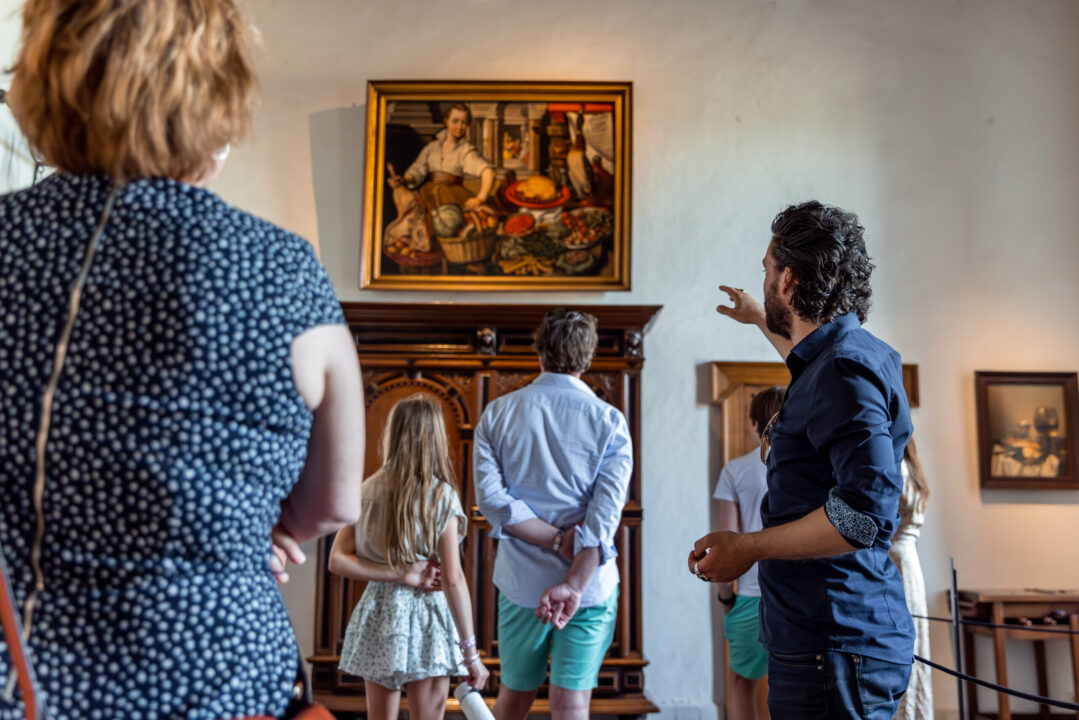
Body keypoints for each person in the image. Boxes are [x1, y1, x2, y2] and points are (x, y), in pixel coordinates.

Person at [0, 1, 365, 718]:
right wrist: (255, 529)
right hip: (217, 681)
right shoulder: (283, 273)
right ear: (217, 111)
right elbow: (336, 502)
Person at [692, 201, 914, 719]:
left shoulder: (844, 369)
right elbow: (813, 369)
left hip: (833, 641)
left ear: (787, 280)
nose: (764, 279)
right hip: (830, 637)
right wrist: (757, 320)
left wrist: (748, 546)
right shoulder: (852, 355)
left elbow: (863, 515)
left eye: (766, 270)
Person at [473, 309, 632, 720]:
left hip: (520, 583)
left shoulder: (498, 413)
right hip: (589, 586)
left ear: (540, 351)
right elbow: (604, 519)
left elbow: (492, 500)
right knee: (571, 704)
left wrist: (552, 538)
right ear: (588, 356)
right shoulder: (609, 421)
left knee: (513, 699)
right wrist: (573, 578)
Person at [329, 394, 488, 720]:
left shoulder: (366, 490)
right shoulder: (441, 496)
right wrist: (471, 654)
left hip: (379, 614)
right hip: (427, 620)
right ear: (434, 439)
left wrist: (398, 573)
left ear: (393, 434)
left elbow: (337, 560)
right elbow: (454, 579)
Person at [713, 386, 785, 720]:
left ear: (756, 424)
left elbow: (725, 548)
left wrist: (726, 599)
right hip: (797, 594)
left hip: (750, 596)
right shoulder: (813, 467)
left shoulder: (735, 471)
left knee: (741, 680)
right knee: (790, 683)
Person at [890, 437, 933, 720]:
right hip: (910, 564)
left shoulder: (898, 470)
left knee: (902, 643)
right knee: (914, 641)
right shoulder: (915, 472)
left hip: (896, 560)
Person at [388, 103, 496, 212]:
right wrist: (403, 180)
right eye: (455, 121)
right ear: (446, 121)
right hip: (427, 196)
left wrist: (480, 198)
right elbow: (417, 169)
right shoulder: (432, 147)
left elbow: (489, 172)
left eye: (464, 123)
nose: (459, 127)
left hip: (453, 196)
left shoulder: (465, 150)